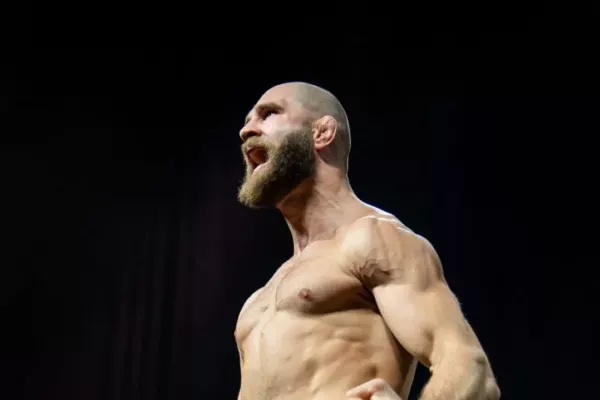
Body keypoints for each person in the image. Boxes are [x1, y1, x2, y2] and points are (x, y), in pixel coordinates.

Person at [234, 82, 500, 400]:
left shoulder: (373, 239)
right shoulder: (259, 299)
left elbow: (470, 371)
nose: (246, 130)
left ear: (322, 133)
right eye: (248, 120)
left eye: (268, 114)